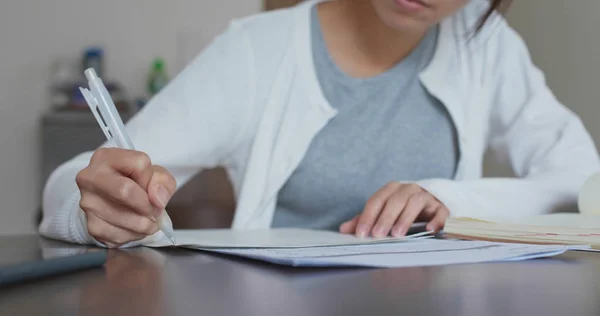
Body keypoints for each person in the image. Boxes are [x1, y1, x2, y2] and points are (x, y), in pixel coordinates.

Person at [40, 0, 600, 248]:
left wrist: (449, 196)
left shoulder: (486, 45)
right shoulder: (259, 51)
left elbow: (583, 181)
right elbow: (74, 179)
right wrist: (97, 211)